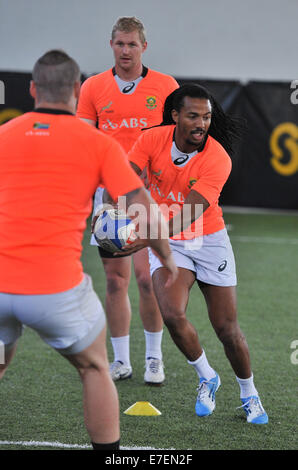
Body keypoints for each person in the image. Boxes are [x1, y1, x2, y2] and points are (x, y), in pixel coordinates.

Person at [0, 49, 177, 451]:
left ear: (31, 89)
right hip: (55, 291)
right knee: (95, 366)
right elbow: (142, 209)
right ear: (78, 91)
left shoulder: (3, 135)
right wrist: (166, 258)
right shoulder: (97, 143)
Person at [126, 83, 268, 424]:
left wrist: (145, 238)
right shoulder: (150, 140)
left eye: (206, 116)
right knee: (172, 313)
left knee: (226, 329)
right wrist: (111, 211)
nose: (201, 123)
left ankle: (250, 395)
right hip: (170, 242)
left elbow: (189, 214)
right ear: (175, 116)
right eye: (193, 116)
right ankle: (207, 376)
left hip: (207, 239)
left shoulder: (218, 157)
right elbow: (125, 179)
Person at [76, 16, 179, 384]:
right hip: (110, 198)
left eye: (132, 44)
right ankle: (121, 360)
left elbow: (175, 141)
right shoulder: (93, 87)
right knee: (116, 281)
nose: (125, 50)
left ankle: (154, 357)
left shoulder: (166, 87)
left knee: (147, 280)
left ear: (144, 47)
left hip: (149, 196)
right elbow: (84, 142)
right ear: (112, 45)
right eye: (119, 43)